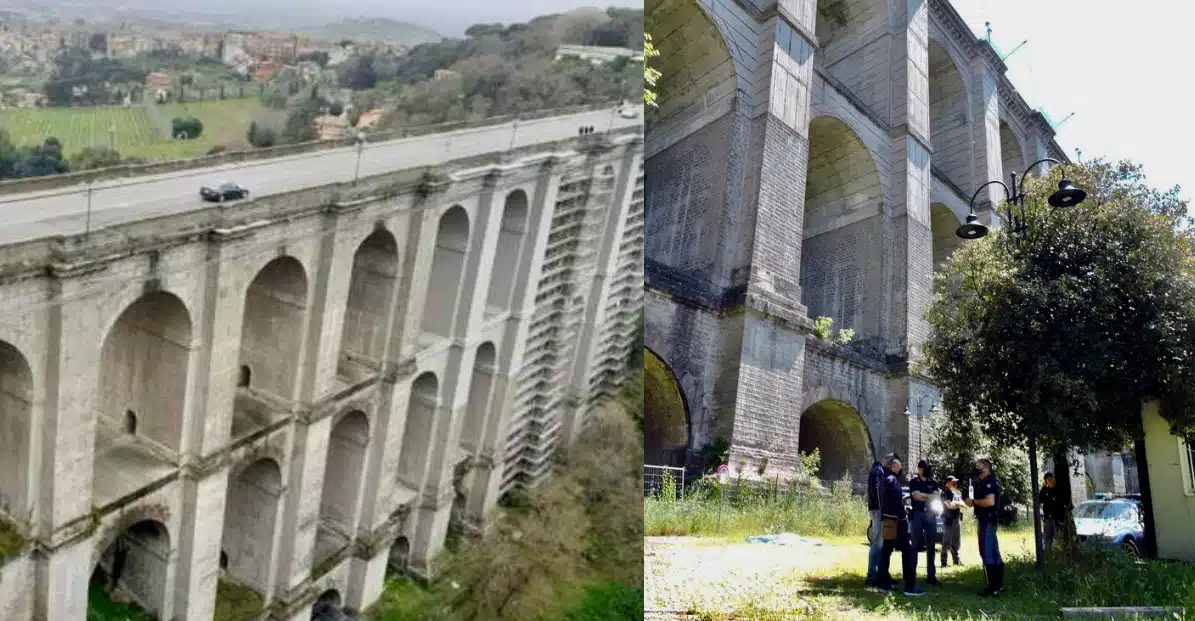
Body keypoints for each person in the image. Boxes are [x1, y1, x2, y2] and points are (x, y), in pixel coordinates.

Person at [876, 455, 925, 596]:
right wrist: (903, 517)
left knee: (886, 551)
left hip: (886, 521)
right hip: (897, 522)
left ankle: (884, 585)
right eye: (899, 465)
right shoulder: (894, 481)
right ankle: (910, 586)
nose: (901, 468)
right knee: (907, 551)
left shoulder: (883, 481)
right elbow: (897, 503)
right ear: (894, 467)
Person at [964, 458, 1005, 596]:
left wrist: (974, 502)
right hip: (986, 521)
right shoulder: (982, 483)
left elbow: (989, 501)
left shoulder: (989, 482)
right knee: (993, 552)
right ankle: (998, 585)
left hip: (987, 521)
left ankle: (993, 588)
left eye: (979, 466)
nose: (977, 469)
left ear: (986, 468)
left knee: (987, 552)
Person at [908, 460, 941, 586]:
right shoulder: (913, 482)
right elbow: (916, 496)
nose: (923, 470)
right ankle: (912, 575)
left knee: (931, 546)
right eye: (922, 468)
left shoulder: (933, 483)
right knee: (915, 545)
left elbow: (936, 497)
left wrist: (923, 496)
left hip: (930, 514)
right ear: (919, 469)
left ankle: (931, 575)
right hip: (917, 514)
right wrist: (928, 496)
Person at [865, 458, 889, 588]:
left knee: (878, 542)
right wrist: (883, 508)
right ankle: (872, 575)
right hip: (878, 510)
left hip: (873, 509)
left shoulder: (874, 470)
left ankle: (877, 574)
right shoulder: (878, 471)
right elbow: (877, 491)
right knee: (877, 542)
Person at [939, 476, 963, 566]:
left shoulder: (956, 493)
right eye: (953, 482)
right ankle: (943, 562)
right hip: (948, 520)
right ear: (947, 483)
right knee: (946, 542)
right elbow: (950, 505)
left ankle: (956, 561)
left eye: (955, 482)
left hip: (956, 518)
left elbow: (960, 503)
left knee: (956, 541)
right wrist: (959, 504)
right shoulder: (944, 493)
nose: (955, 484)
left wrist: (958, 504)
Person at [1039, 472, 1066, 550]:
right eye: (1049, 480)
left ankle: (1058, 556)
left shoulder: (1058, 490)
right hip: (1047, 518)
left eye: (1053, 479)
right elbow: (1040, 499)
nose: (1052, 481)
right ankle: (1048, 556)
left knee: (1058, 540)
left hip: (1057, 519)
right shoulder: (1044, 490)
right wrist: (1048, 490)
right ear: (1046, 482)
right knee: (1047, 539)